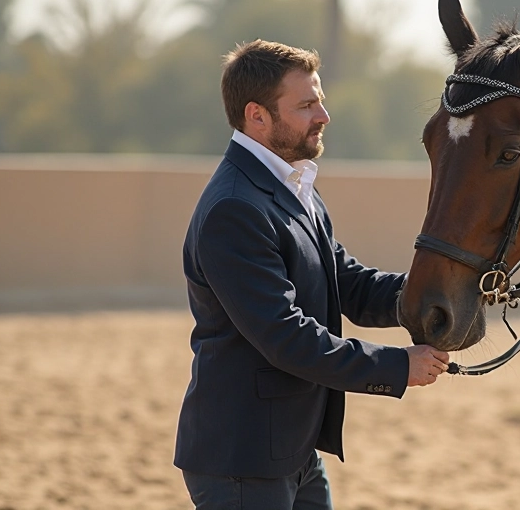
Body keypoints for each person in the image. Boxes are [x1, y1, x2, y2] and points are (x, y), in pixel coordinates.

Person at [174, 39, 450, 509]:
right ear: (256, 115)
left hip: (292, 450)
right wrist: (399, 366)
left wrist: (439, 292)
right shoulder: (234, 209)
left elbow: (349, 284)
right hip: (242, 461)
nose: (323, 115)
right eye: (306, 105)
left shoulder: (292, 183)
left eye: (319, 100)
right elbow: (288, 338)